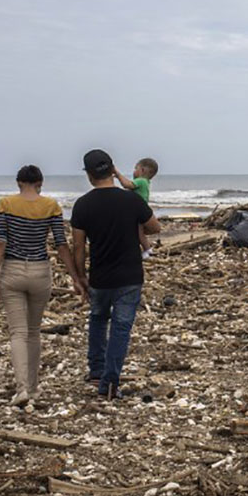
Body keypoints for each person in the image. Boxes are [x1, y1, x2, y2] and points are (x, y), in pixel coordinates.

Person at [0, 165, 86, 407]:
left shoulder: (6, 204)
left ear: (19, 182)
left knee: (18, 333)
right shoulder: (51, 205)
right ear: (40, 183)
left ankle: (22, 389)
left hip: (12, 270)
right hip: (40, 271)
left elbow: (0, 242)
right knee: (33, 331)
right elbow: (61, 245)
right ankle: (32, 387)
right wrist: (75, 277)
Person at [71, 149, 161, 400]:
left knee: (98, 319)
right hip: (130, 275)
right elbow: (154, 227)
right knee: (121, 328)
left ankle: (97, 371)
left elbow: (78, 247)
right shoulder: (131, 200)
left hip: (99, 275)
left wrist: (79, 276)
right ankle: (109, 382)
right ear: (112, 170)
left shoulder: (83, 204)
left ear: (89, 175)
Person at [113, 157, 159, 258]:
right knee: (138, 231)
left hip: (137, 211)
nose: (133, 171)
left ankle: (147, 250)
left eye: (135, 168)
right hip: (141, 210)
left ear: (142, 170)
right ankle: (144, 249)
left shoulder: (141, 181)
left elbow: (127, 185)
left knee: (139, 232)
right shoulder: (145, 182)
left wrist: (118, 174)